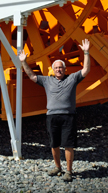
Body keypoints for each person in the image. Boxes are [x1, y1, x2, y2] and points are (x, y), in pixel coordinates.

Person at [18, 38, 91, 182]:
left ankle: (69, 171)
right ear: (53, 69)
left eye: (61, 67)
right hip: (52, 116)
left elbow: (86, 69)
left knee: (68, 145)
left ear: (65, 69)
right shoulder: (46, 80)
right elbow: (31, 76)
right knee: (54, 144)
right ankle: (58, 167)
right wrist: (23, 61)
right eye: (56, 68)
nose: (59, 69)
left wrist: (86, 52)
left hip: (68, 116)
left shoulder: (72, 78)